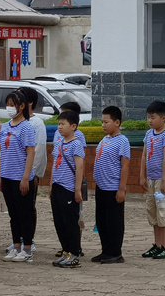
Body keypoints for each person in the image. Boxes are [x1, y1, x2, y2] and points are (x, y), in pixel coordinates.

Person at [0, 90, 37, 263]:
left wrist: (25, 178)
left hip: (20, 177)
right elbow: (1, 151)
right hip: (6, 176)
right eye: (8, 104)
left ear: (22, 106)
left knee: (24, 213)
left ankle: (27, 248)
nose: (10, 108)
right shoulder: (6, 126)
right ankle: (16, 246)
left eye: (13, 104)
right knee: (13, 214)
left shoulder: (27, 127)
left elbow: (30, 152)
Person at [91, 106, 130, 263]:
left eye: (106, 122)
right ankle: (105, 250)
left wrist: (121, 189)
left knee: (114, 221)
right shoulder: (104, 140)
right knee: (102, 220)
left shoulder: (122, 141)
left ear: (117, 122)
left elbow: (125, 166)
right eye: (102, 122)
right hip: (101, 187)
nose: (103, 125)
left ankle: (115, 252)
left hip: (113, 188)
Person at [140, 100, 165, 259]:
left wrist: (163, 181)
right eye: (148, 117)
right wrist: (142, 175)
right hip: (151, 179)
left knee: (164, 211)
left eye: (153, 117)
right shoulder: (149, 134)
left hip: (163, 180)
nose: (150, 120)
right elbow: (144, 155)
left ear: (163, 118)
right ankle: (157, 244)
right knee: (153, 212)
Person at [50, 111, 86, 267]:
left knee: (70, 222)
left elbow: (80, 167)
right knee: (60, 221)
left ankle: (74, 253)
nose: (60, 127)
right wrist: (51, 185)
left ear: (73, 126)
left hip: (69, 188)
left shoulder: (77, 144)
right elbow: (54, 165)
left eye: (63, 124)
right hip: (57, 186)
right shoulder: (59, 143)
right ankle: (65, 250)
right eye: (59, 124)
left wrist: (77, 189)